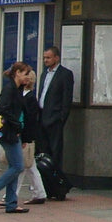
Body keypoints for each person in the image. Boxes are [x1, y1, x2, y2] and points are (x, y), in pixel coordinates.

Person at [0, 62, 33, 214]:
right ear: (17, 73)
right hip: (8, 133)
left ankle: (11, 203)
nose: (28, 78)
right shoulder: (9, 89)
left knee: (14, 167)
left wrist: (23, 135)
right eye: (25, 74)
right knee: (18, 167)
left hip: (14, 133)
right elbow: (4, 109)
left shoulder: (17, 89)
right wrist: (17, 126)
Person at [14, 67, 48, 207]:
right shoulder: (22, 95)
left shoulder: (29, 98)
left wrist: (25, 137)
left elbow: (30, 120)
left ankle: (11, 194)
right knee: (30, 166)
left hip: (26, 136)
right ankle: (40, 193)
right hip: (25, 135)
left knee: (20, 165)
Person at [37, 45, 73, 177]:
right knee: (43, 150)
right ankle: (44, 178)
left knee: (55, 151)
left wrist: (61, 117)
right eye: (44, 57)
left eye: (48, 57)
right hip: (42, 116)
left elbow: (66, 98)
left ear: (56, 58)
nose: (45, 60)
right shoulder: (44, 74)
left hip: (55, 118)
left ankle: (55, 178)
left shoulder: (65, 74)